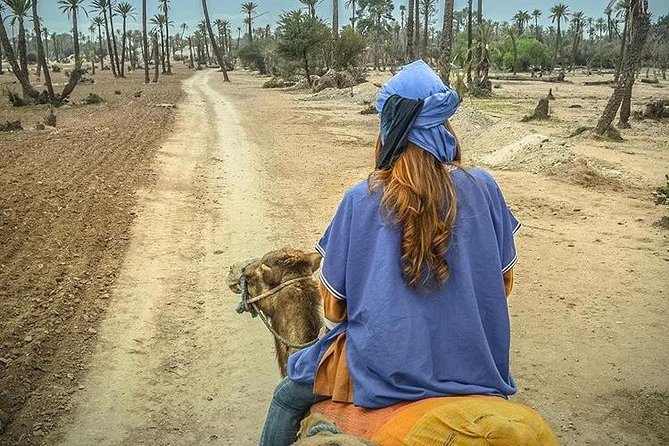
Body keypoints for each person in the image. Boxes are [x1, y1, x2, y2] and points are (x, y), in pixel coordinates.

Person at [259, 60, 520, 446]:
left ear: (389, 129)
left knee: (285, 399)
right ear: (444, 126)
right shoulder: (485, 188)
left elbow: (333, 310)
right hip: (477, 368)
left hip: (383, 373)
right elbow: (504, 286)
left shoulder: (360, 199)